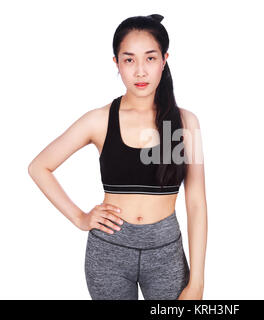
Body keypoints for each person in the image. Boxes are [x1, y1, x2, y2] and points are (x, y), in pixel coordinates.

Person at [27, 14, 207, 300]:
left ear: (164, 60)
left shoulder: (185, 123)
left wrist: (197, 281)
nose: (140, 72)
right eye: (129, 60)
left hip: (166, 253)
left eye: (150, 58)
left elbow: (196, 203)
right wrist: (80, 217)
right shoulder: (98, 120)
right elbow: (39, 167)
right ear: (117, 64)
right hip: (109, 253)